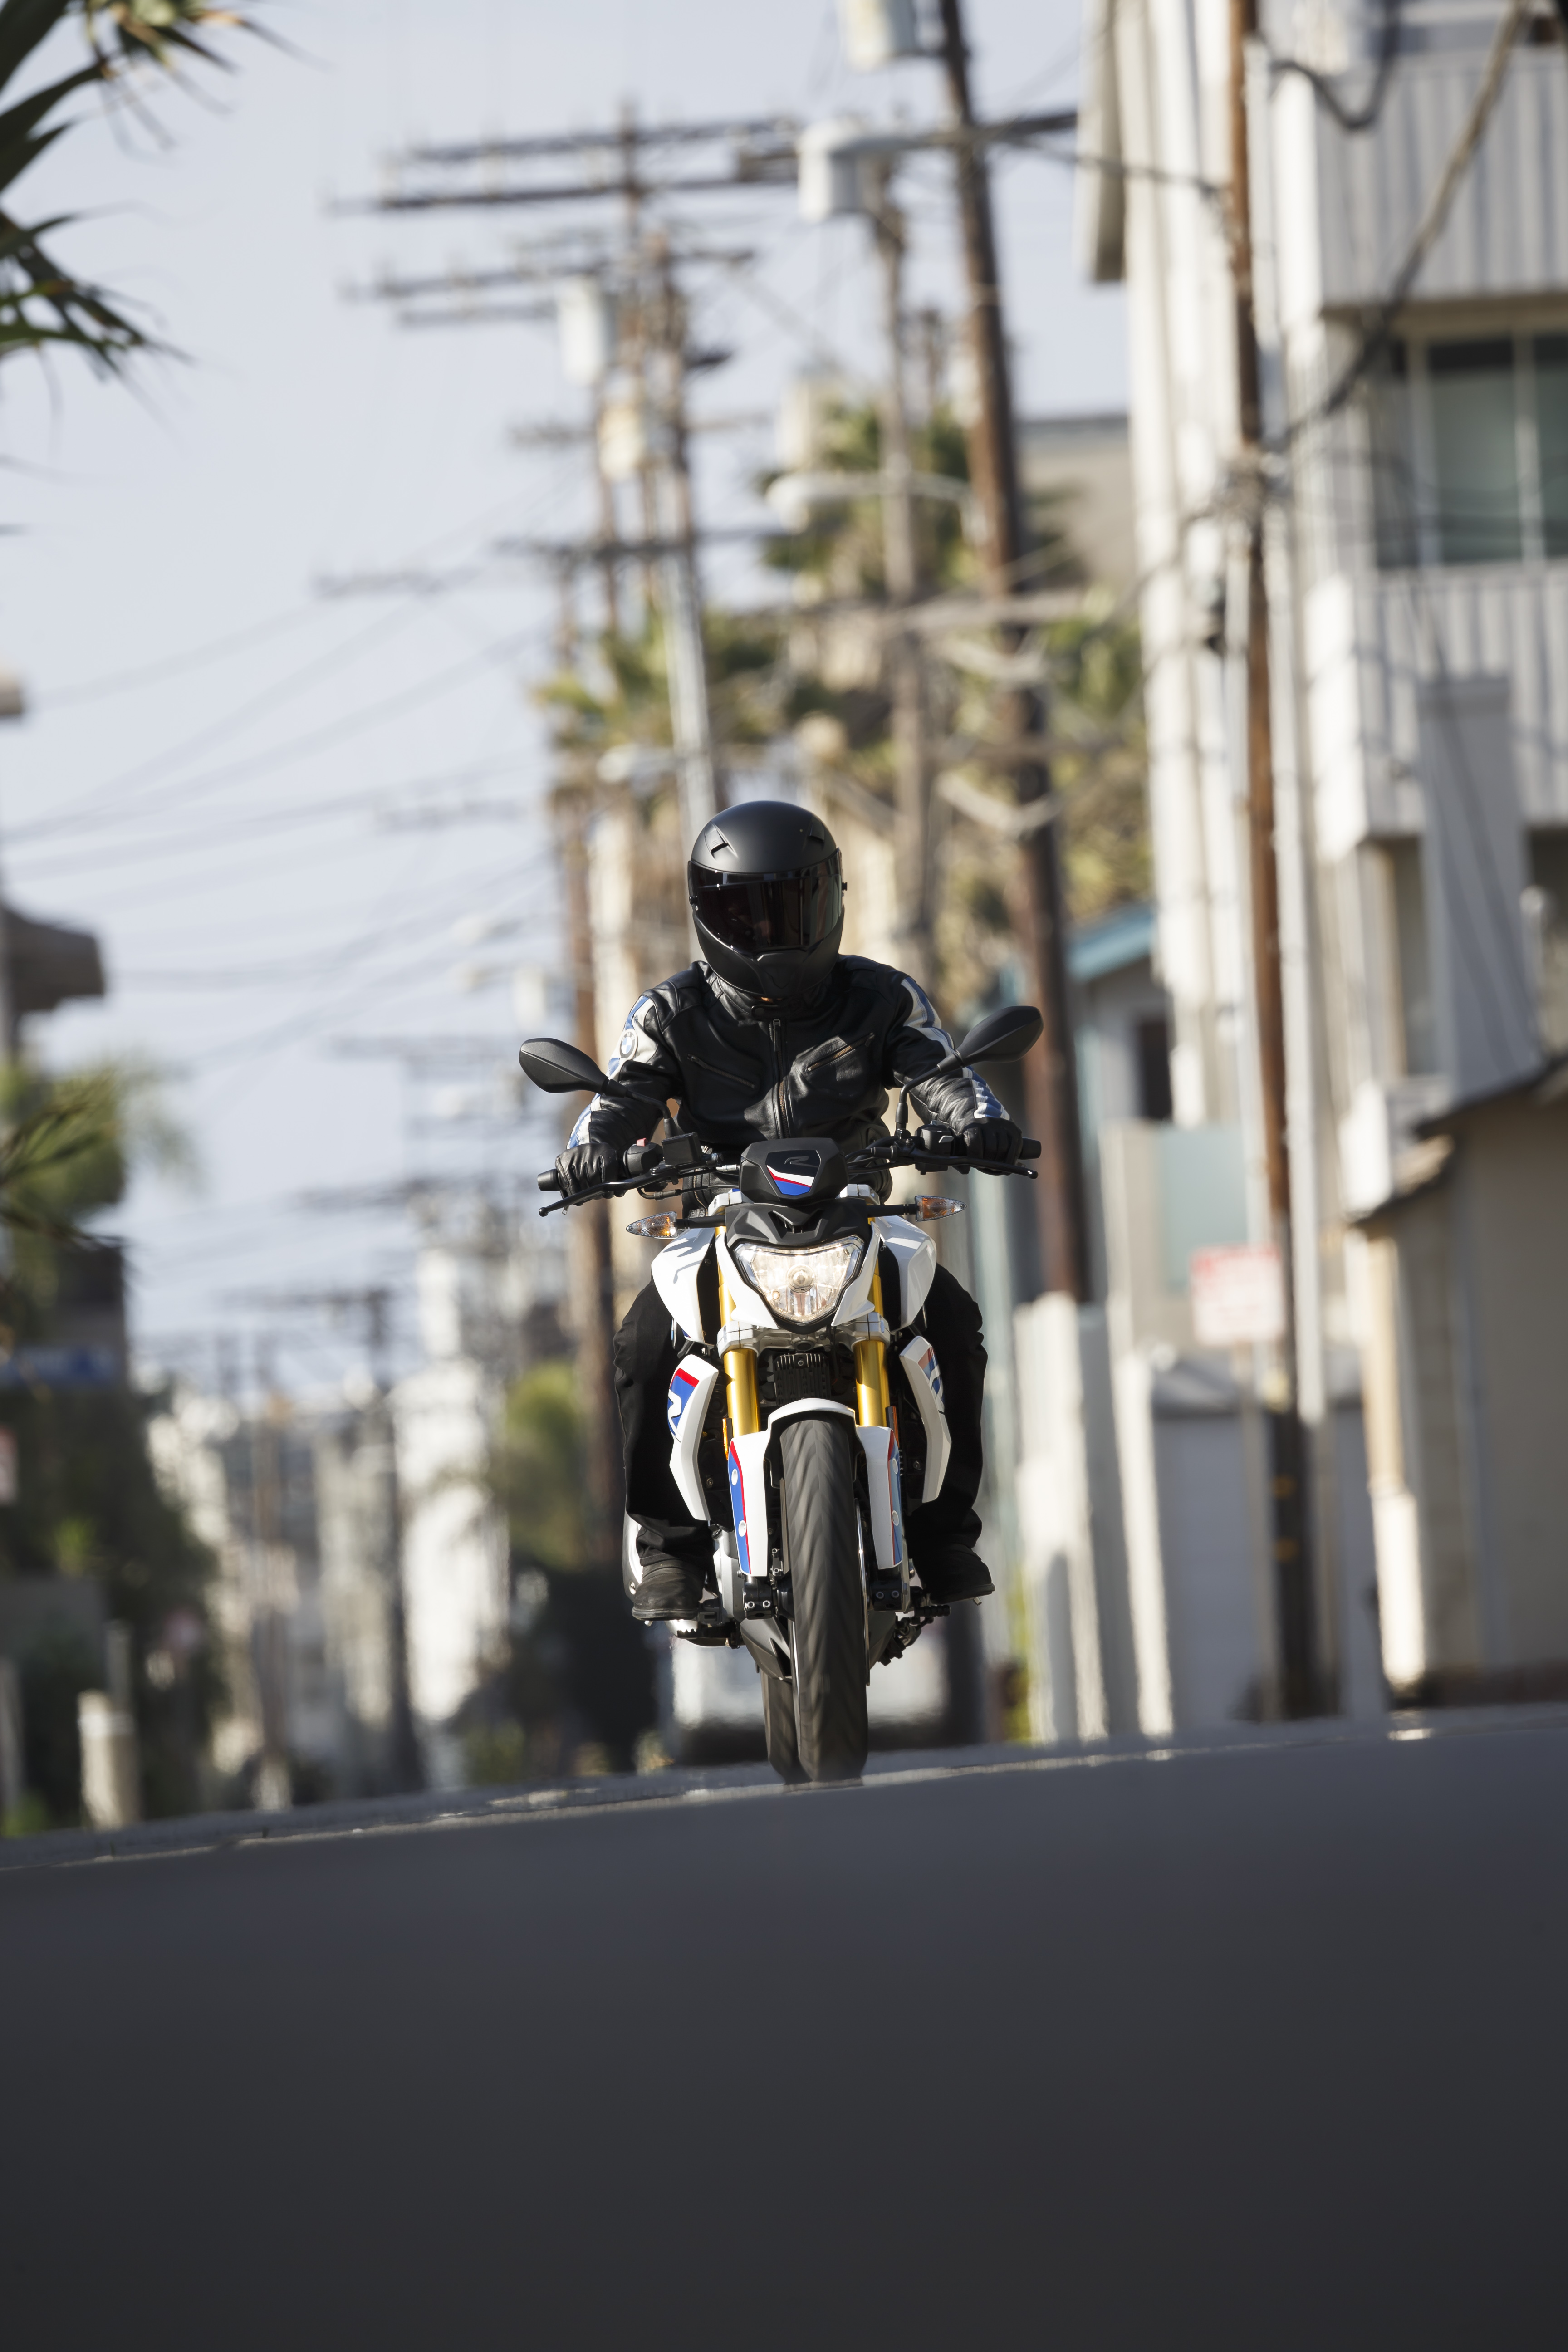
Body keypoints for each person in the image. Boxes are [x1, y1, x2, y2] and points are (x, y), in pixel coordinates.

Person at [554, 800, 1023, 1623]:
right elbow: (620, 1099)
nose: (772, 931)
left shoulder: (881, 996)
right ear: (708, 916)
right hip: (722, 1222)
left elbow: (940, 1072)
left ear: (831, 898)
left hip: (856, 1212)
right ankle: (669, 1548)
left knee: (954, 1324)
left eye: (791, 905)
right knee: (640, 1344)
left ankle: (945, 1533)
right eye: (746, 912)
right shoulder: (670, 1013)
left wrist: (978, 1122)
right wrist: (591, 1153)